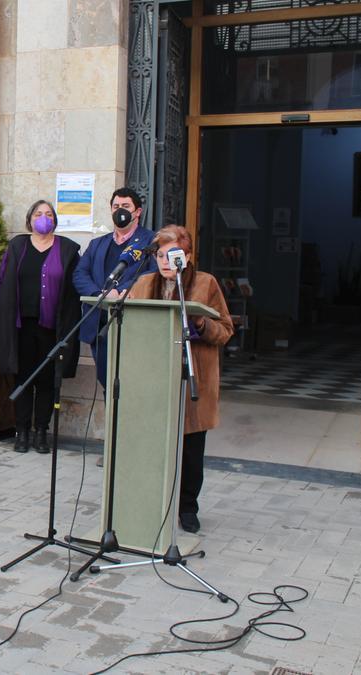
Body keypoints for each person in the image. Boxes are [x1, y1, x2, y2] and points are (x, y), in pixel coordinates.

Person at [128, 225, 233, 534]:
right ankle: (151, 503)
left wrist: (201, 325)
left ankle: (188, 507)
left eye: (171, 254)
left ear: (186, 256)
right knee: (152, 445)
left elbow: (226, 330)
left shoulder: (205, 283)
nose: (164, 261)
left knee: (190, 450)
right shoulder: (144, 283)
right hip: (152, 377)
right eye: (159, 255)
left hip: (191, 378)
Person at [0, 200, 82, 454]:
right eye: (38, 213)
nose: (43, 218)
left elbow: (73, 289)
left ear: (54, 219)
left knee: (46, 381)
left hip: (51, 328)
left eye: (48, 214)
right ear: (30, 219)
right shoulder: (18, 245)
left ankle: (41, 431)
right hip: (21, 326)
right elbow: (3, 281)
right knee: (22, 379)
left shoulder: (67, 249)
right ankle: (21, 431)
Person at [73, 188, 157, 390]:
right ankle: (112, 422)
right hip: (99, 326)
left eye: (126, 206)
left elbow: (154, 274)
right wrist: (99, 294)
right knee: (106, 382)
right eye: (116, 206)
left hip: (133, 325)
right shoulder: (97, 244)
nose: (120, 210)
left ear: (138, 212)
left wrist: (122, 291)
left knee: (129, 385)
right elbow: (79, 274)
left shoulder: (152, 241)